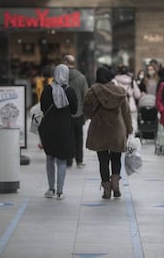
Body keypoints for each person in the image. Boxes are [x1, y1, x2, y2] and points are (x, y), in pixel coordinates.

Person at [83, 66, 133, 199]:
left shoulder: (93, 91)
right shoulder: (120, 91)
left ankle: (106, 190)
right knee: (116, 158)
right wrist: (129, 129)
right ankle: (116, 185)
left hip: (100, 130)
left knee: (103, 160)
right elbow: (126, 113)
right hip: (117, 129)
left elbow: (86, 111)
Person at [38, 64, 78, 200]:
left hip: (49, 129)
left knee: (50, 158)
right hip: (64, 129)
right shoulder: (70, 91)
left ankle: (51, 189)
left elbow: (43, 108)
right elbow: (74, 110)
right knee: (61, 160)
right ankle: (60, 191)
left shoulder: (47, 90)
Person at [63, 55, 89, 169]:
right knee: (79, 137)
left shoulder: (60, 78)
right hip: (78, 113)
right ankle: (79, 161)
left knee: (66, 137)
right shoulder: (81, 78)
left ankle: (68, 160)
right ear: (74, 63)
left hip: (64, 113)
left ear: (65, 62)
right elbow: (86, 95)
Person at [113, 64, 141, 136]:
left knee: (120, 126)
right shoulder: (131, 81)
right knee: (132, 124)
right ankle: (130, 142)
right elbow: (138, 95)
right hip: (131, 107)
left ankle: (122, 142)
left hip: (119, 106)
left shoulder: (115, 81)